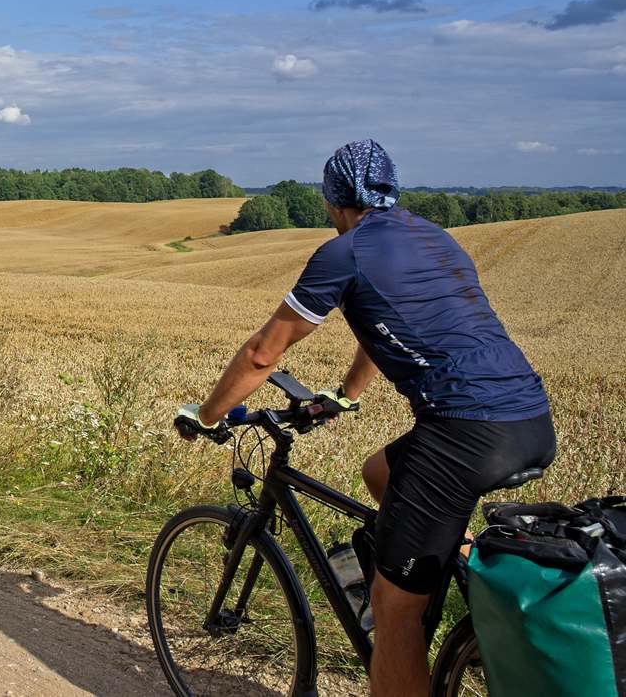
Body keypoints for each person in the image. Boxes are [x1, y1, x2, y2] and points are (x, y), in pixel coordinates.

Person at [176, 139, 555, 697]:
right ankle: (471, 578)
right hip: (530, 420)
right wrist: (346, 395)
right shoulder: (436, 237)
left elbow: (263, 352)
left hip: (463, 433)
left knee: (393, 611)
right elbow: (386, 325)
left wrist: (208, 416)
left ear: (333, 202)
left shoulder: (345, 252)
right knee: (379, 473)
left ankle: (408, 617)